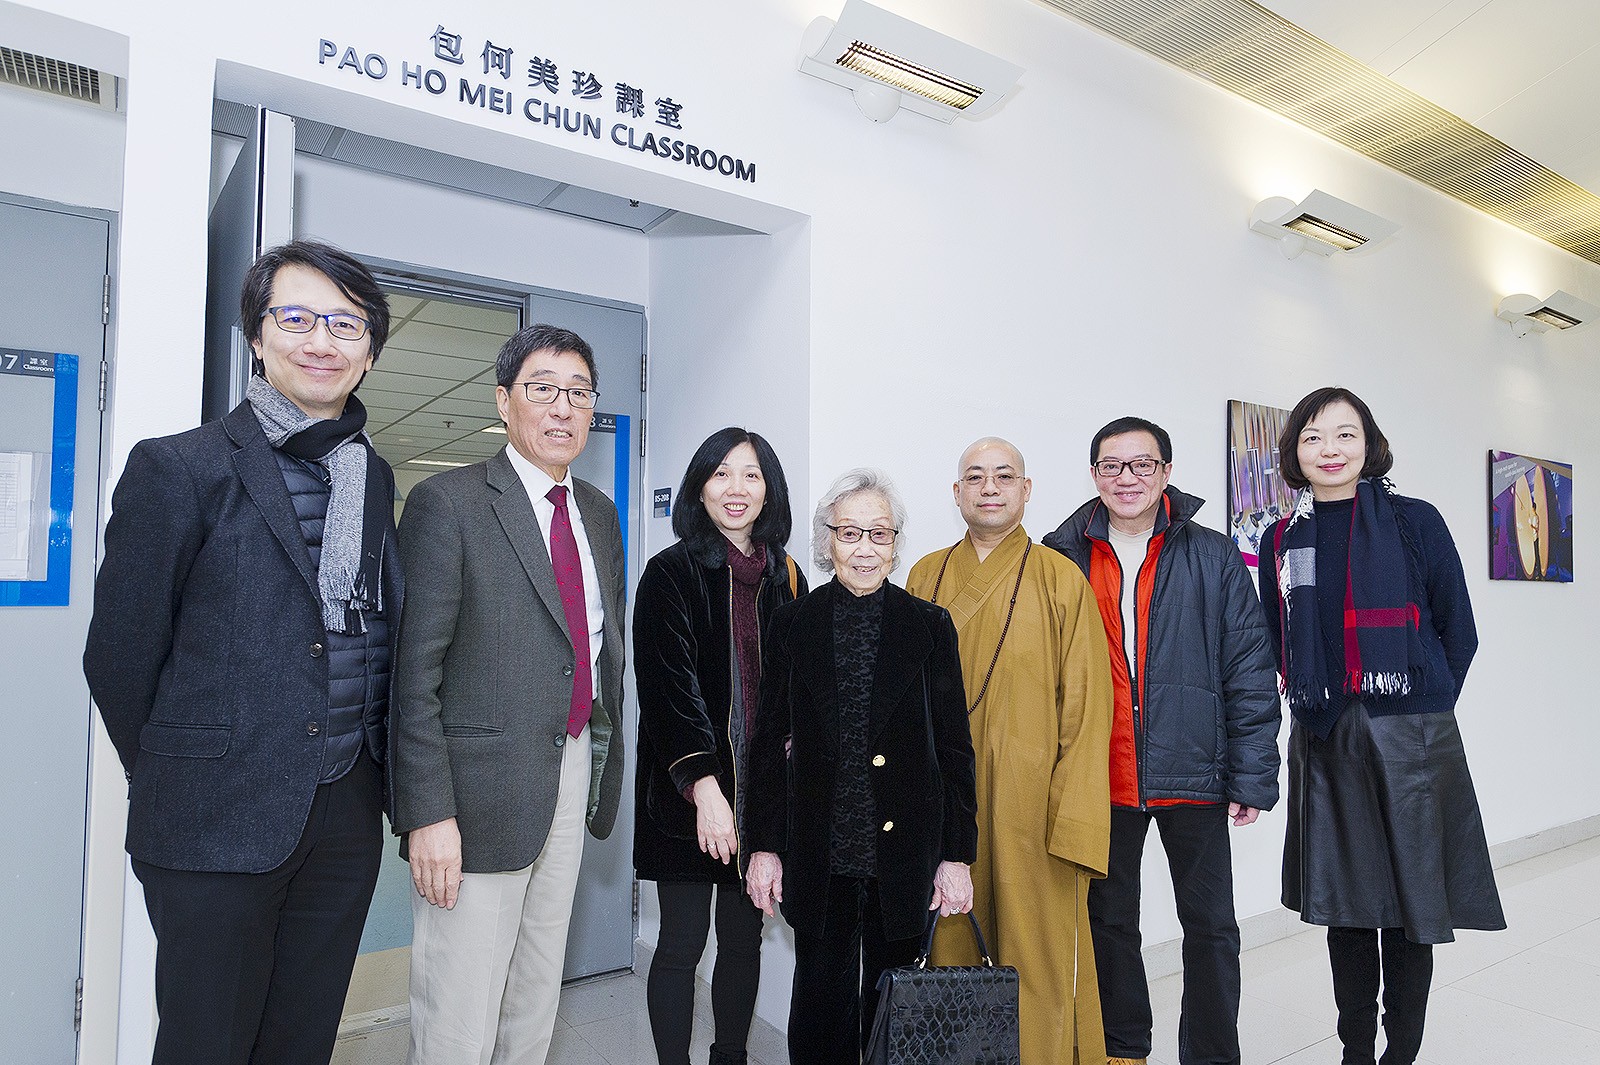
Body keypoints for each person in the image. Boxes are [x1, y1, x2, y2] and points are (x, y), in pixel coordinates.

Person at [83, 240, 399, 1065]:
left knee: (303, 1038)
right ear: (256, 336)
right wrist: (185, 765)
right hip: (213, 816)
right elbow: (119, 654)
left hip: (344, 810)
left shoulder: (372, 477)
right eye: (296, 318)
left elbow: (372, 631)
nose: (321, 340)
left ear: (369, 351)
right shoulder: (179, 467)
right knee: (207, 1043)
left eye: (345, 324)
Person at [391, 323, 627, 1065]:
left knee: (536, 991)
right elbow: (414, 674)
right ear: (503, 400)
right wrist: (427, 812)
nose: (563, 408)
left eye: (579, 392)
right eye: (543, 389)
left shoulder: (598, 513)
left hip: (571, 767)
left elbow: (595, 648)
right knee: (459, 1009)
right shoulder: (448, 503)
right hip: (475, 796)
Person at [1257, 387, 1504, 1065]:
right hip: (1324, 736)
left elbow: (1458, 629)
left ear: (1369, 444)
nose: (1329, 449)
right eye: (1312, 436)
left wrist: (1419, 707)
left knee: (1409, 907)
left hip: (1412, 739)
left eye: (1345, 434)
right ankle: (1357, 1051)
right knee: (1345, 908)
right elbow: (1277, 639)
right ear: (1295, 452)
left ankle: (1401, 1053)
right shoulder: (1279, 537)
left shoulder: (1413, 521)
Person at [1044, 416, 1281, 1065]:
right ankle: (1124, 1049)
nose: (1128, 478)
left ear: (1166, 472)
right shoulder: (1060, 556)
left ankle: (1211, 1053)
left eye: (1142, 464)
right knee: (1110, 922)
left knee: (1211, 928)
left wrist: (1252, 773)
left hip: (1193, 768)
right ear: (1094, 474)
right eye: (1112, 465)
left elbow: (1250, 667)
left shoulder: (1213, 554)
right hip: (1100, 773)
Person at [744, 469, 978, 1065]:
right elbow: (767, 744)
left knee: (895, 1015)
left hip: (903, 855)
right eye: (850, 533)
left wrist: (956, 856)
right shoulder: (793, 623)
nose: (865, 549)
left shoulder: (930, 627)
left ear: (895, 542)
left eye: (879, 533)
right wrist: (763, 847)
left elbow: (955, 750)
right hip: (819, 853)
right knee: (819, 1011)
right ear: (828, 541)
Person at [905, 436, 1114, 1065]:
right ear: (956, 493)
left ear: (1027, 490)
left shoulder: (1060, 578)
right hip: (945, 805)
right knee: (950, 947)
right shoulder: (925, 575)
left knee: (1036, 955)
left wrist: (1072, 817)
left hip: (1033, 809)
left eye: (1003, 476)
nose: (989, 487)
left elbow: (1088, 707)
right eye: (975, 477)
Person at [632, 427, 806, 1065]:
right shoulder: (670, 572)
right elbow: (667, 692)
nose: (737, 488)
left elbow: (796, 686)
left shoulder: (785, 575)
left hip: (760, 794)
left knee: (743, 942)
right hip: (688, 795)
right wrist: (705, 792)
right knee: (681, 946)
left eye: (751, 474)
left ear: (769, 489)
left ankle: (729, 1055)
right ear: (700, 488)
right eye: (721, 473)